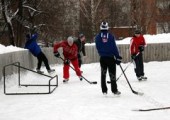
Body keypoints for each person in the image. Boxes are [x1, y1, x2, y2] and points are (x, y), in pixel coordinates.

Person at [95, 22, 122, 95]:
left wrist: (101, 53)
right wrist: (117, 56)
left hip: (102, 58)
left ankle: (104, 91)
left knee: (103, 74)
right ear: (107, 28)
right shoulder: (110, 36)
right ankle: (114, 90)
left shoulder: (97, 37)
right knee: (112, 74)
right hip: (110, 58)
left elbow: (97, 47)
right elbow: (114, 47)